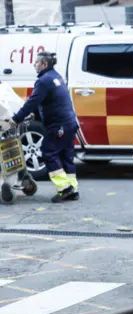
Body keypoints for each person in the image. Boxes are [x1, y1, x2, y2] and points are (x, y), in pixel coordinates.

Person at [10, 51, 79, 203]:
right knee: (66, 155)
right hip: (69, 123)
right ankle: (72, 188)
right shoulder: (56, 76)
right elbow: (48, 101)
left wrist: (16, 119)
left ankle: (64, 189)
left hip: (59, 124)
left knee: (49, 152)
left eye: (36, 62)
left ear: (44, 64)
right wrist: (36, 115)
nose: (34, 64)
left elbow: (32, 102)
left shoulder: (43, 81)